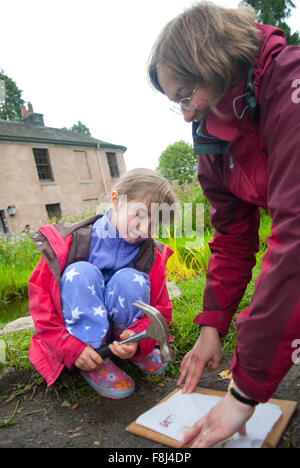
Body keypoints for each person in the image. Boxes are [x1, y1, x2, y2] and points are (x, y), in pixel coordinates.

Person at [148, 0, 300, 448]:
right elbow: (232, 237)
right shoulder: (214, 139)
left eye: (185, 94)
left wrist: (244, 391)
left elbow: (295, 234)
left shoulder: (289, 84)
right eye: (174, 102)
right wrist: (212, 324)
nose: (187, 114)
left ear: (212, 62)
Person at [28, 168, 175, 399]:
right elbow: (41, 305)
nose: (145, 229)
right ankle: (94, 358)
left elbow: (161, 309)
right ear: (116, 200)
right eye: (140, 214)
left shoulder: (150, 255)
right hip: (80, 339)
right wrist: (71, 349)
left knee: (131, 279)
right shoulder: (70, 242)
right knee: (80, 272)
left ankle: (129, 346)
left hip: (125, 333)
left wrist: (138, 338)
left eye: (155, 222)